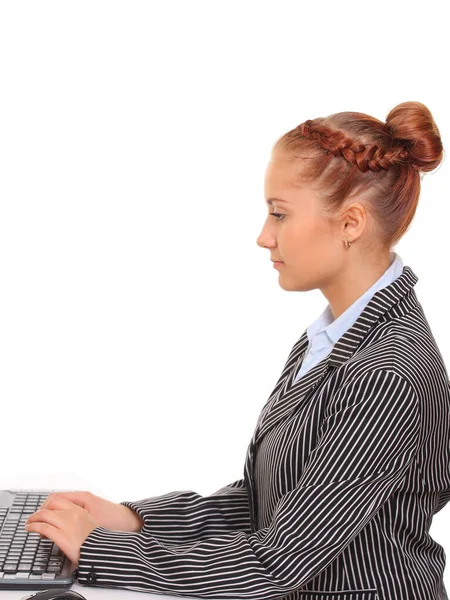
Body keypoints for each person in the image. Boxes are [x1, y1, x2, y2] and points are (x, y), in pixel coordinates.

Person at [25, 101, 450, 600]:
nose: (264, 236)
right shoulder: (333, 338)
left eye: (279, 213)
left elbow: (276, 564)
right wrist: (131, 520)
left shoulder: (387, 372)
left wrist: (98, 551)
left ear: (351, 224)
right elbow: (260, 503)